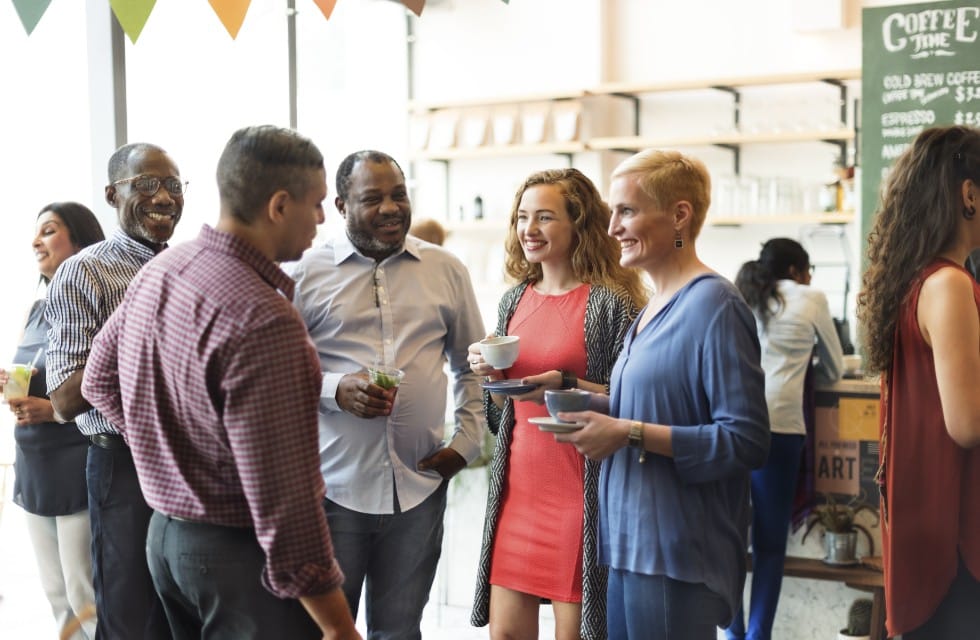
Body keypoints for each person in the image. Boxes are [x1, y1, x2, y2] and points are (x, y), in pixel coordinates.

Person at [80, 125, 360, 640]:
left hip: (164, 538)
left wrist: (168, 449)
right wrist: (339, 626)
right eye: (317, 203)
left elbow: (98, 381)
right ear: (279, 205)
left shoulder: (162, 270)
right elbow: (285, 501)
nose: (323, 219)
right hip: (239, 557)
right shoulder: (265, 318)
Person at [554, 149, 770, 640]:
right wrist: (580, 405)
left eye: (626, 211)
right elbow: (651, 409)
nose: (612, 228)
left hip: (678, 549)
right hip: (627, 541)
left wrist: (627, 432)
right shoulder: (652, 306)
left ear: (679, 215)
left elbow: (746, 440)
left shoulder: (715, 304)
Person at [289, 149, 486, 638]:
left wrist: (465, 445)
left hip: (419, 487)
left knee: (399, 631)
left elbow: (472, 364)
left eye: (399, 194)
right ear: (339, 205)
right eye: (372, 198)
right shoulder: (304, 274)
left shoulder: (445, 269)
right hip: (333, 491)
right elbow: (278, 371)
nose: (391, 208)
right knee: (324, 632)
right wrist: (335, 389)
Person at [466, 168, 645, 640]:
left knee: (577, 634)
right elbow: (501, 416)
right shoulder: (513, 300)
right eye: (523, 217)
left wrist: (566, 382)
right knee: (504, 634)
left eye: (544, 217)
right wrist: (492, 374)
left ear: (579, 224)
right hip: (518, 490)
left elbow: (633, 396)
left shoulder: (610, 303)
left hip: (579, 495)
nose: (529, 229)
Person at [46, 142, 183, 639]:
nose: (163, 197)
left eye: (172, 185)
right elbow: (63, 400)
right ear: (111, 194)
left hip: (189, 460)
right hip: (122, 466)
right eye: (146, 184)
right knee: (129, 616)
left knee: (181, 612)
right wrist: (138, 320)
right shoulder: (84, 270)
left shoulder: (190, 266)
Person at [857, 125, 980, 639]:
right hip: (958, 534)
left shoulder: (917, 280)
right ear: (969, 194)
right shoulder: (949, 283)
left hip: (925, 527)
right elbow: (968, 424)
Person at [727, 237, 843, 640]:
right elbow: (834, 368)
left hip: (733, 424)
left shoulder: (739, 293)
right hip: (782, 429)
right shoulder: (811, 297)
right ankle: (758, 636)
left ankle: (731, 634)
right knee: (770, 546)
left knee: (729, 539)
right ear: (797, 270)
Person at [0, 202, 103, 639]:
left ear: (79, 240)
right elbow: (36, 376)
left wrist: (54, 412)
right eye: (36, 233)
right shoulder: (36, 310)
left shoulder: (98, 305)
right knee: (56, 594)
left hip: (77, 462)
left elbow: (110, 387)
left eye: (49, 231)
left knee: (85, 595)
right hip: (35, 463)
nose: (35, 241)